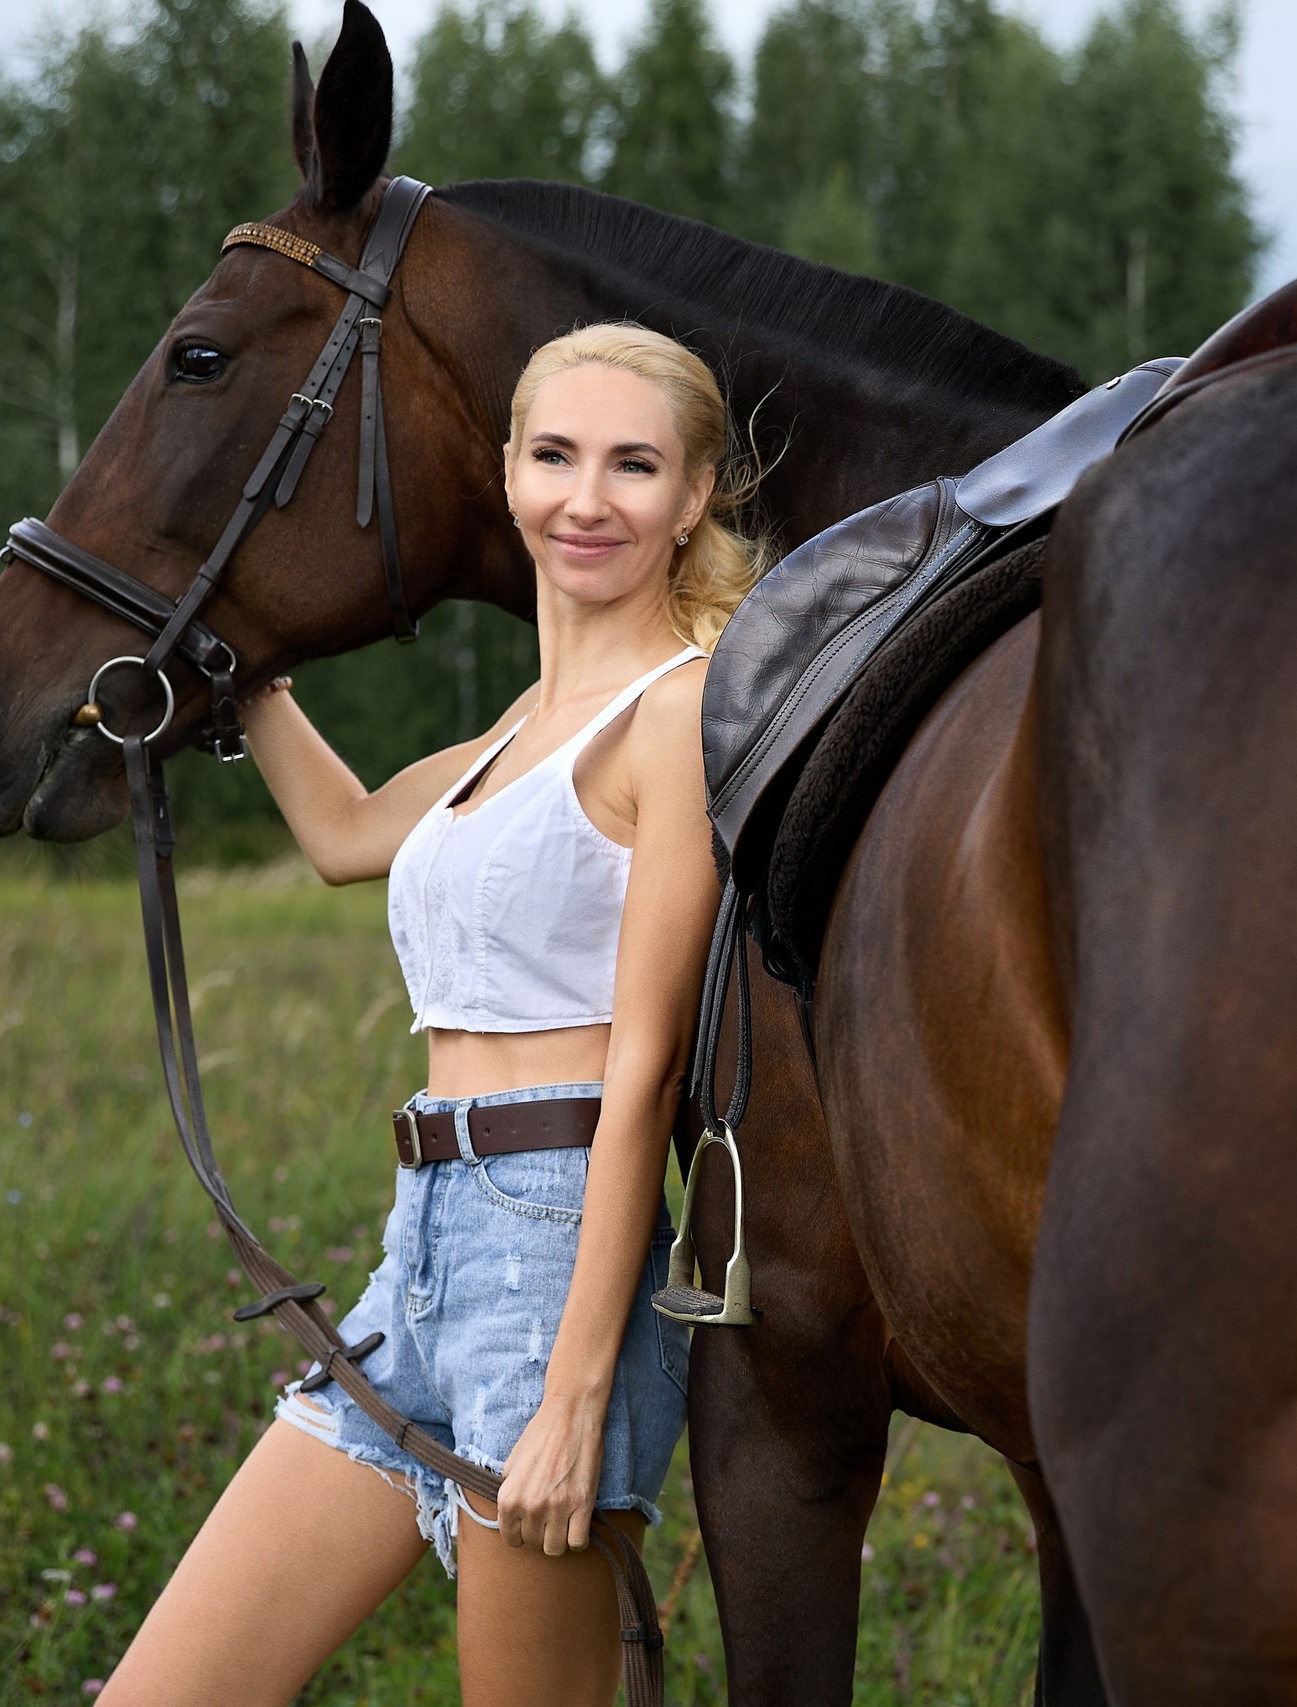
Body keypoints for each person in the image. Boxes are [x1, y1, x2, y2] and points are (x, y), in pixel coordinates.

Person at [101, 324, 771, 1707]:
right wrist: (238, 664)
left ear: (694, 496)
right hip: (425, 1255)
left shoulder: (678, 712)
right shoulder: (527, 723)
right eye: (556, 456)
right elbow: (348, 835)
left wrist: (578, 1388)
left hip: (553, 1261)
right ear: (509, 475)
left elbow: (645, 1066)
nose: (588, 499)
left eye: (634, 465)